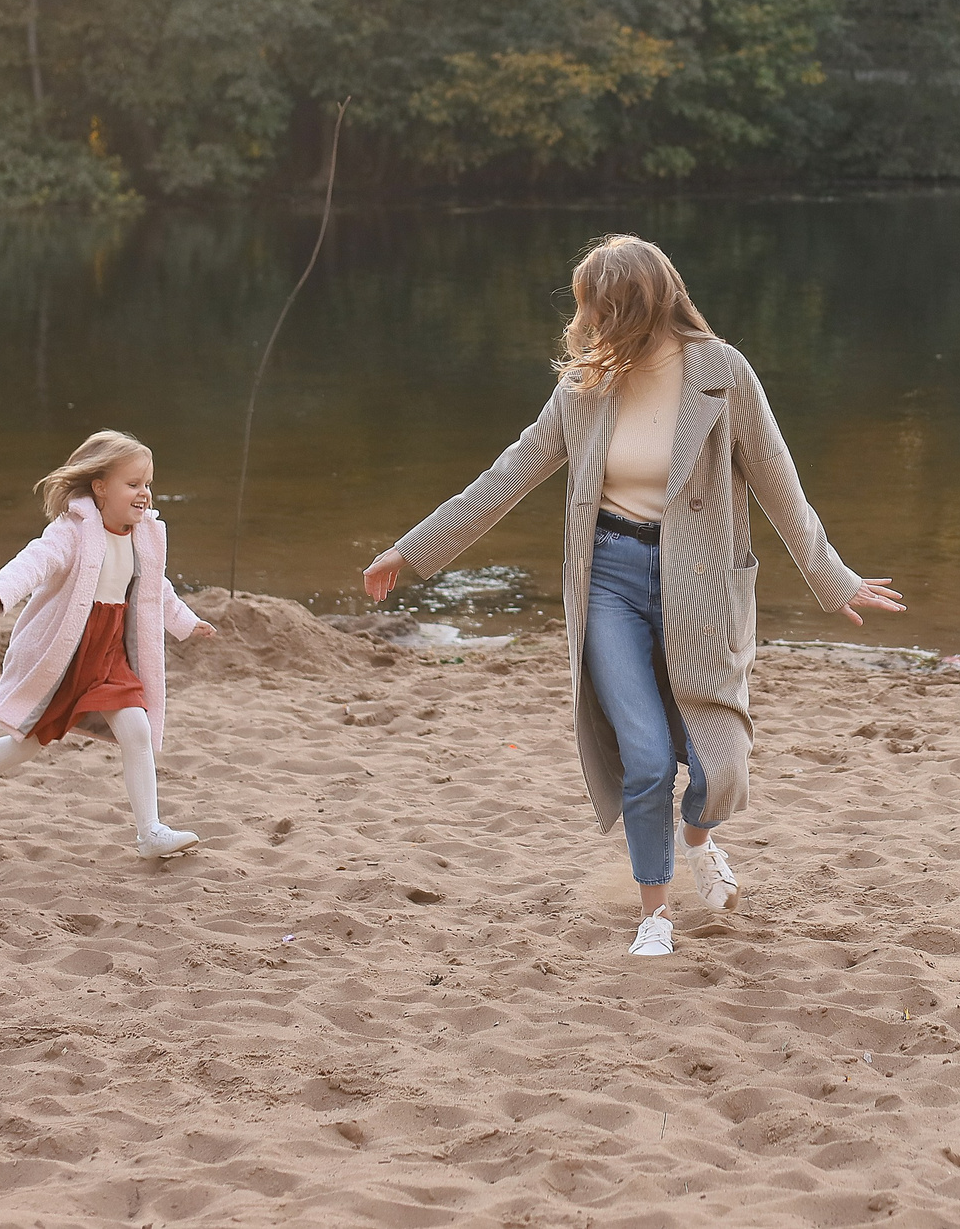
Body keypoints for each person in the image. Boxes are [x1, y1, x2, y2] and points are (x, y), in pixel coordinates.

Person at [364, 235, 903, 956]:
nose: (585, 321)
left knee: (717, 768)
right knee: (646, 758)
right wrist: (413, 546)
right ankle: (657, 913)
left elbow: (777, 475)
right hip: (611, 579)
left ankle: (699, 840)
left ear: (632, 305)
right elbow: (510, 471)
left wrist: (828, 574)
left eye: (595, 306)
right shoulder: (587, 384)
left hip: (700, 582)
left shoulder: (721, 372)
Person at [0, 429, 218, 859]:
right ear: (100, 487)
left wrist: (186, 620)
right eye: (133, 484)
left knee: (137, 729)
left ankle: (150, 832)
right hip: (67, 651)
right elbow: (33, 561)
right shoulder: (72, 531)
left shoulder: (145, 534)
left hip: (109, 652)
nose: (144, 494)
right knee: (28, 742)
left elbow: (153, 588)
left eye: (147, 484)